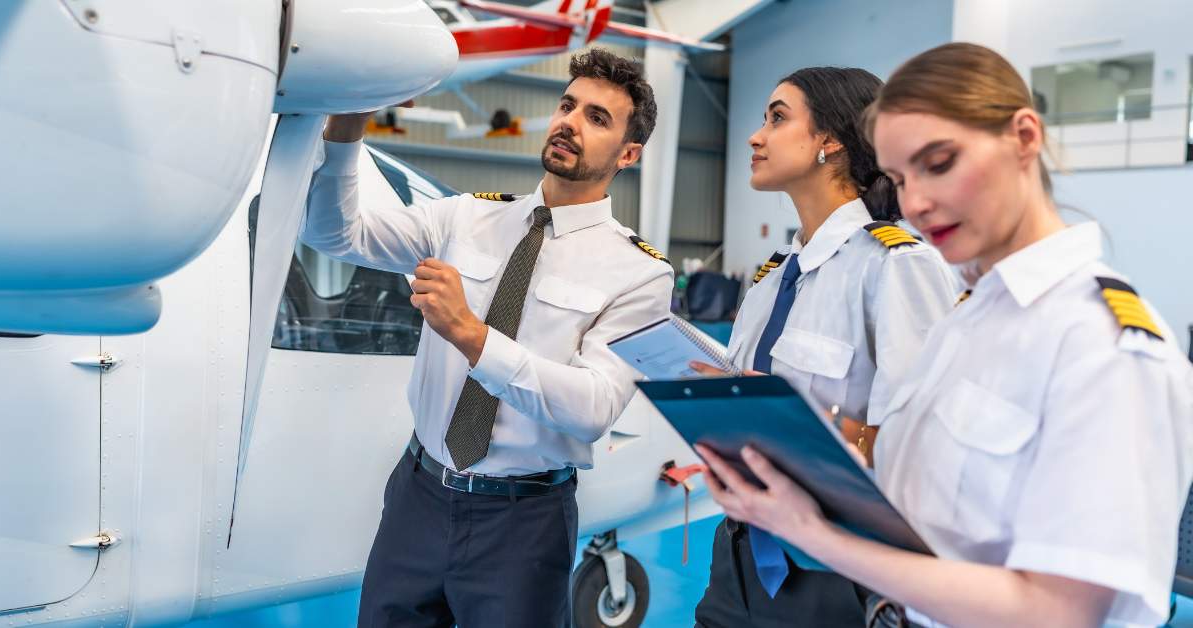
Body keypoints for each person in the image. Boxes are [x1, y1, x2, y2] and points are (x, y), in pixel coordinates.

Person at [697, 42, 1193, 628]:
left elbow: (1060, 613)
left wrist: (813, 536)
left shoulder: (1104, 344)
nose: (918, 202)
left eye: (939, 163)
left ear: (1025, 138)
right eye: (902, 177)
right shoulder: (972, 320)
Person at [300, 49, 673, 628]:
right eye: (568, 105)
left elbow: (594, 407)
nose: (570, 122)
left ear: (629, 154)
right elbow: (333, 232)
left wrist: (471, 335)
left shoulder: (639, 274)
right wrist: (346, 127)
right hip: (417, 496)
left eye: (597, 118)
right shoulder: (463, 219)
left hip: (523, 523)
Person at [692, 67, 959, 627]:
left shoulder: (894, 266)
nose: (755, 136)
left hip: (834, 570)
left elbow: (923, 443)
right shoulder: (772, 278)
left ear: (830, 140)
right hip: (738, 553)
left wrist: (797, 422)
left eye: (778, 117)